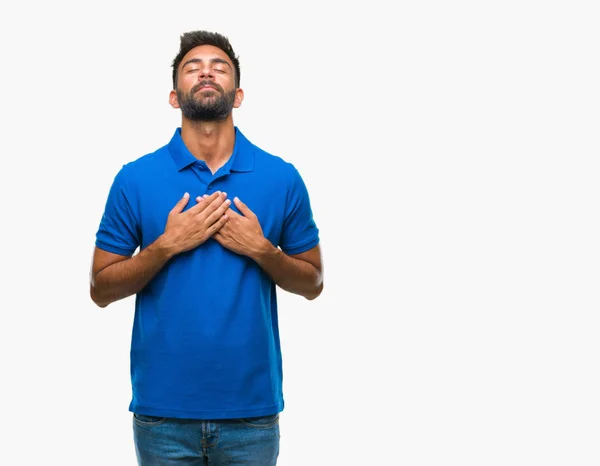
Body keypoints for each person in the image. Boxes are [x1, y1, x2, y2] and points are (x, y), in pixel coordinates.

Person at [89, 30, 323, 465]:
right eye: (192, 68)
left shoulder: (281, 176)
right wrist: (165, 246)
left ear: (237, 95)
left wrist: (263, 250)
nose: (206, 73)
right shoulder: (135, 179)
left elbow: (314, 282)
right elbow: (101, 289)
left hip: (251, 413)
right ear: (175, 97)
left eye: (219, 67)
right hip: (162, 413)